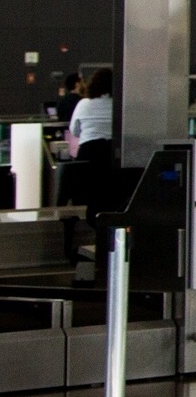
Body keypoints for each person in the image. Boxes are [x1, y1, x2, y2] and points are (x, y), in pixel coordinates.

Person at [59, 69, 119, 261]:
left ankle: (72, 246)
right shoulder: (119, 105)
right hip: (111, 160)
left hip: (88, 159)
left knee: (81, 196)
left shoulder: (83, 104)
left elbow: (74, 130)